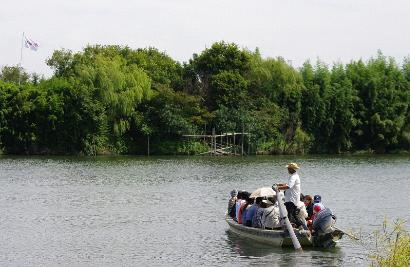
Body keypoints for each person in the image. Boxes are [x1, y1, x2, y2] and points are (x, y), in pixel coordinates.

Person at [277, 162, 303, 227]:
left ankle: (295, 229)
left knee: (291, 215)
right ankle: (301, 227)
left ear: (291, 169)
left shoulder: (293, 177)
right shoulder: (294, 176)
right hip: (292, 198)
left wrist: (277, 188)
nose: (287, 170)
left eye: (288, 169)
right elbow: (288, 184)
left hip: (291, 199)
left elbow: (289, 186)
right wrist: (280, 184)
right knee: (293, 215)